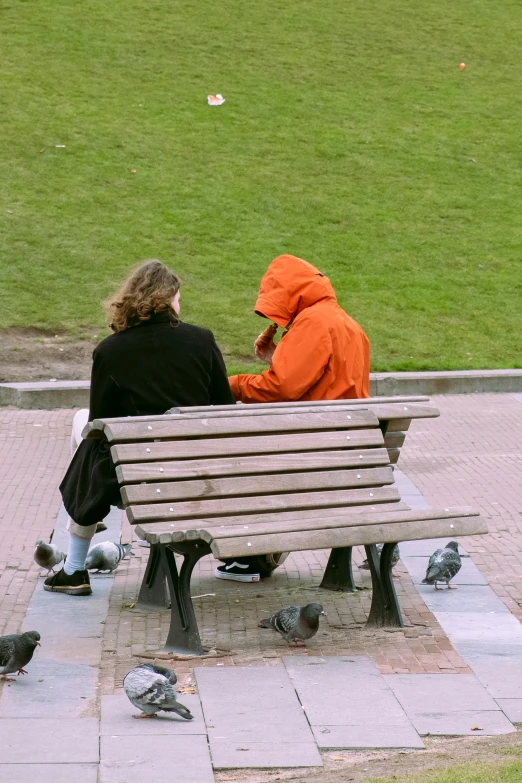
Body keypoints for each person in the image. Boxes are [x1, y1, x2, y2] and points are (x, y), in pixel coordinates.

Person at [45, 259, 235, 596]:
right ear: (168, 299)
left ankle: (74, 567)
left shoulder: (109, 351)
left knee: (84, 432)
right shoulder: (201, 340)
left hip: (139, 475)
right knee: (89, 440)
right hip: (198, 468)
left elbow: (101, 420)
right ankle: (76, 558)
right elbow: (224, 408)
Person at [214, 253, 370, 583]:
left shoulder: (313, 323)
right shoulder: (345, 322)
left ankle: (252, 554)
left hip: (312, 452)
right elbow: (322, 381)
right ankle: (261, 550)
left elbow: (283, 388)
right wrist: (279, 357)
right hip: (346, 449)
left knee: (239, 462)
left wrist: (233, 385)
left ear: (288, 293)